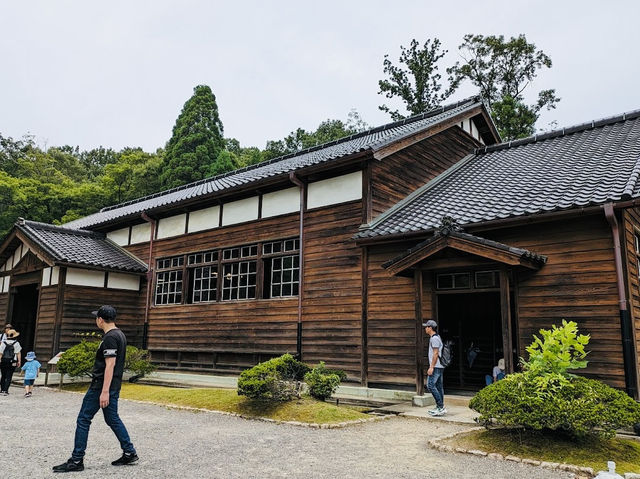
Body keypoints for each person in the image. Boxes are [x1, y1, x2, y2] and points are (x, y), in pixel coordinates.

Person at [53, 305, 138, 473]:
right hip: (113, 385)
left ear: (100, 319)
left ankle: (77, 459)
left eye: (96, 317)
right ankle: (129, 451)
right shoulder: (119, 334)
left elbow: (110, 364)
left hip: (101, 386)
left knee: (84, 419)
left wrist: (104, 391)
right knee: (112, 418)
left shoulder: (110, 338)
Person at [423, 320, 446, 416]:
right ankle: (440, 407)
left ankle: (440, 406)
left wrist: (431, 367)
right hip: (439, 366)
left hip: (436, 366)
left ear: (430, 328)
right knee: (439, 386)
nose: (425, 328)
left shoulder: (434, 339)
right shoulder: (436, 337)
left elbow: (435, 353)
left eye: (426, 327)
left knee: (430, 385)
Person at [0, 329, 22, 395]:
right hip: (13, 361)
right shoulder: (16, 343)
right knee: (9, 376)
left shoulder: (3, 343)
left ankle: (2, 389)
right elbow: (18, 353)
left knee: (3, 375)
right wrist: (19, 361)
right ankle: (6, 390)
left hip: (4, 360)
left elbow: (0, 353)